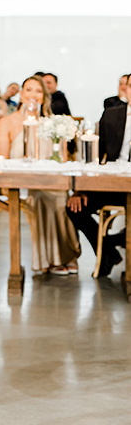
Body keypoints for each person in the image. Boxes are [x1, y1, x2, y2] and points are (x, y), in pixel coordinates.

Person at [0, 75, 80, 275]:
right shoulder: (7, 122)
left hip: (48, 179)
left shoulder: (51, 124)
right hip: (17, 181)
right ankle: (54, 259)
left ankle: (67, 254)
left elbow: (63, 160)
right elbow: (1, 160)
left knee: (62, 196)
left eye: (38, 91)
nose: (33, 94)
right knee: (44, 197)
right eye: (29, 90)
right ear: (22, 94)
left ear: (44, 96)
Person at [67, 73, 131, 276]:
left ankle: (115, 241)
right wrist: (80, 190)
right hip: (114, 184)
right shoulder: (112, 115)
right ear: (125, 90)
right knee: (75, 208)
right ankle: (108, 252)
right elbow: (93, 156)